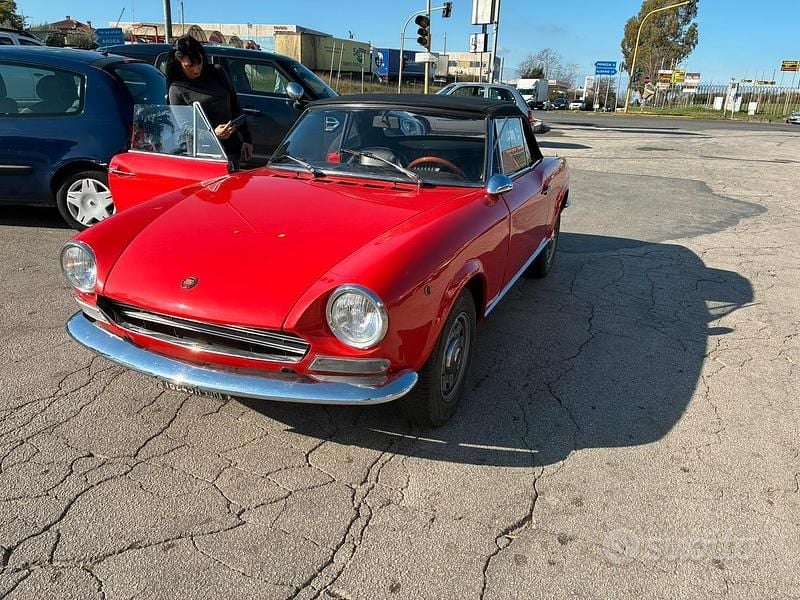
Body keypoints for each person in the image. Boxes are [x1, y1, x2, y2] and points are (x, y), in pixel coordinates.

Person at [165, 36, 253, 169]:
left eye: (199, 63)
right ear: (178, 64)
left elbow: (234, 104)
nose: (196, 69)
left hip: (231, 150)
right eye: (189, 66)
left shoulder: (217, 72)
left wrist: (246, 138)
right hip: (204, 155)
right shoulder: (176, 89)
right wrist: (213, 135)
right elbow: (185, 128)